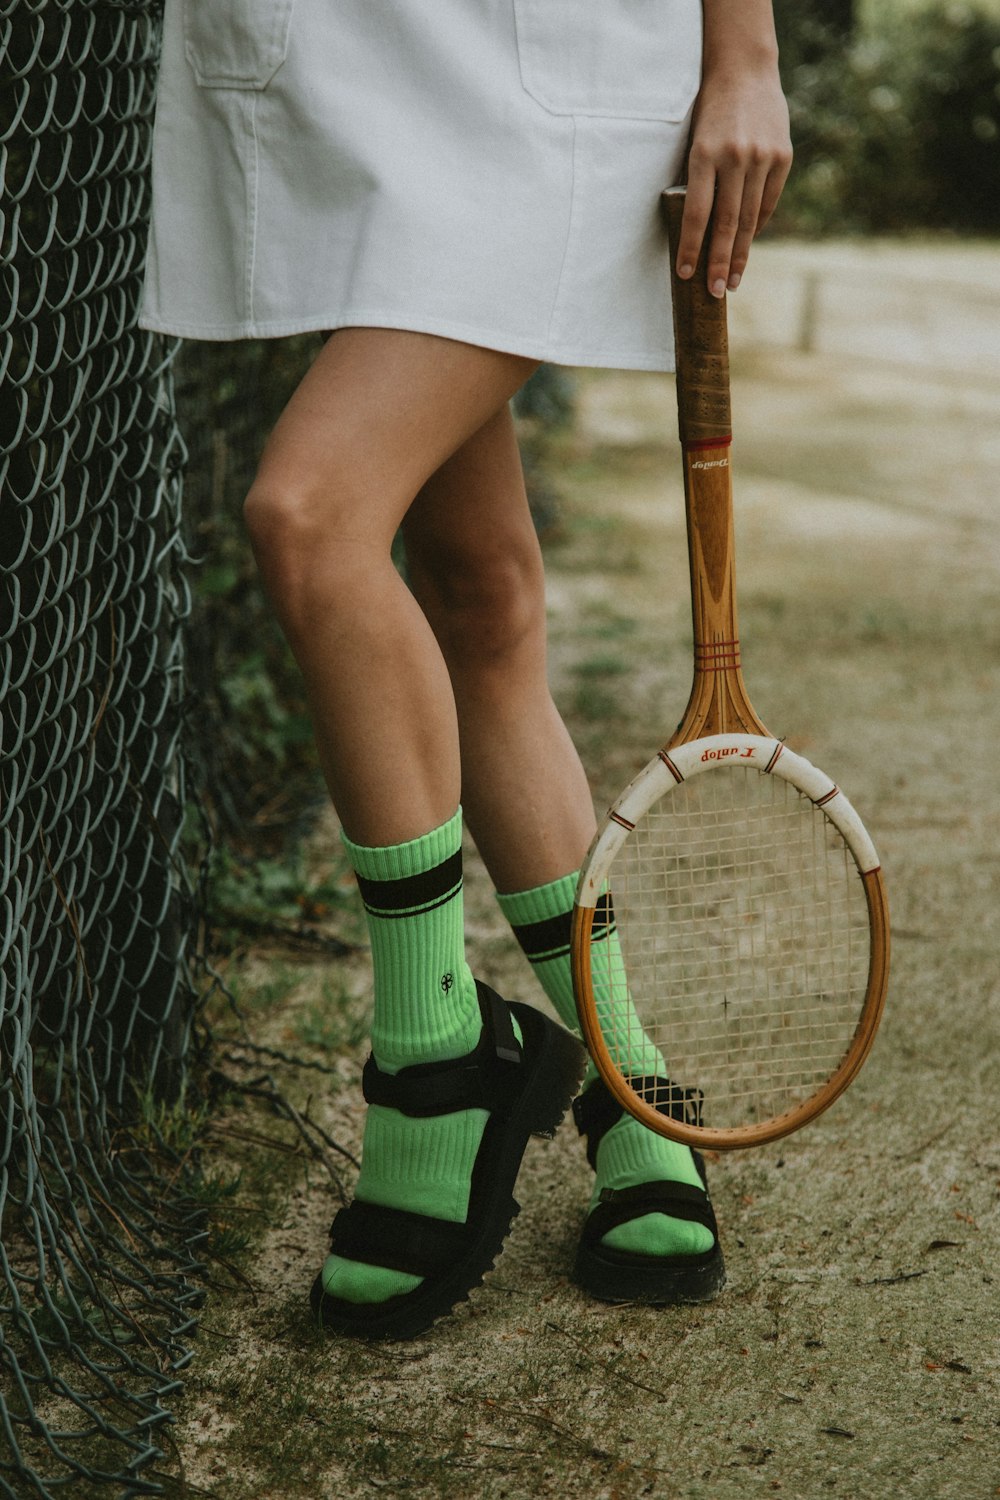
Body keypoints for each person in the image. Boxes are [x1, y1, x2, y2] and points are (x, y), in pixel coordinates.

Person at [141, 0, 792, 1339]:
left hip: (552, 52)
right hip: (333, 60)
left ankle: (436, 1056)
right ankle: (630, 1087)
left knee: (312, 515)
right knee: (481, 589)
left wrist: (747, 56)